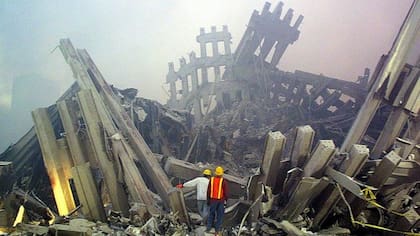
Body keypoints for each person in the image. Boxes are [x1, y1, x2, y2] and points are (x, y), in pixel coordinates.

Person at [206, 166, 228, 235]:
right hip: (220, 201)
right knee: (219, 215)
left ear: (215, 173)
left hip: (213, 200)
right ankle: (217, 230)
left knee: (211, 214)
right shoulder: (223, 181)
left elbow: (208, 191)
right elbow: (226, 192)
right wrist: (226, 200)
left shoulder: (211, 180)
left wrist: (208, 200)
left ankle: (208, 228)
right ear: (221, 174)